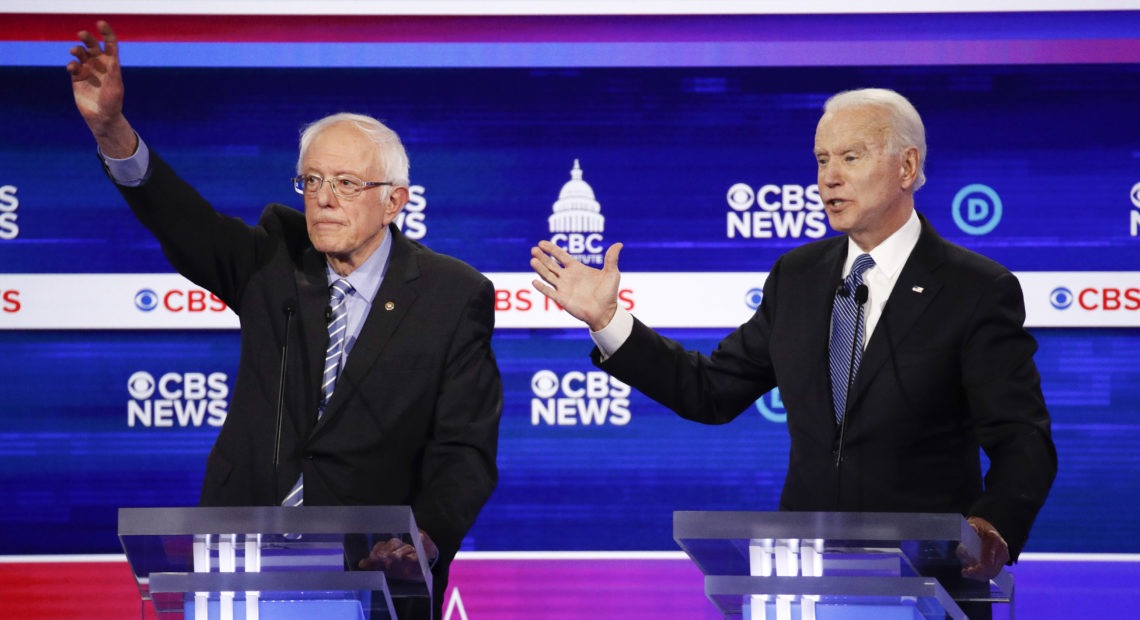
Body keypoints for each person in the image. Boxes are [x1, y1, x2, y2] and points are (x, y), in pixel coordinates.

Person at [531, 88, 1056, 589]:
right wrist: (608, 321)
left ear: (907, 167)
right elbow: (709, 391)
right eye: (822, 159)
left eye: (850, 157)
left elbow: (1022, 440)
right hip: (807, 578)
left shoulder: (975, 288)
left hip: (929, 581)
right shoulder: (798, 277)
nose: (829, 178)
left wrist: (991, 526)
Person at [69, 22, 502, 619]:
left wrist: (424, 540)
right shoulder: (274, 259)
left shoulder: (452, 295)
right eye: (313, 181)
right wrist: (112, 131)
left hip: (372, 571)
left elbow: (465, 449)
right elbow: (184, 223)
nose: (324, 198)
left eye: (347, 184)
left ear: (395, 201)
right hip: (240, 564)